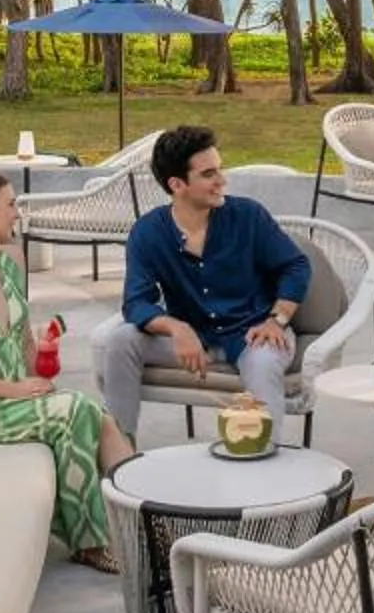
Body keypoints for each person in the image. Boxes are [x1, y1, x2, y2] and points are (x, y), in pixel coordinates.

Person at [0, 169, 131, 573]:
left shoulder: (8, 266)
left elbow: (24, 347)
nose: (16, 214)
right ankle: (90, 541)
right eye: (10, 205)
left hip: (13, 396)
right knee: (74, 411)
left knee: (97, 415)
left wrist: (44, 353)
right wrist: (12, 390)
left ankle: (148, 519)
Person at [94, 126, 312, 446]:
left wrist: (277, 318)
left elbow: (295, 265)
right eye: (208, 174)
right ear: (177, 184)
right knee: (121, 340)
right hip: (195, 340)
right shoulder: (148, 232)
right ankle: (118, 453)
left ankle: (265, 466)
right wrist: (176, 328)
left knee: (264, 363)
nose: (221, 180)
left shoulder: (247, 216)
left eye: (219, 169)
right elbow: (136, 303)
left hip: (254, 333)